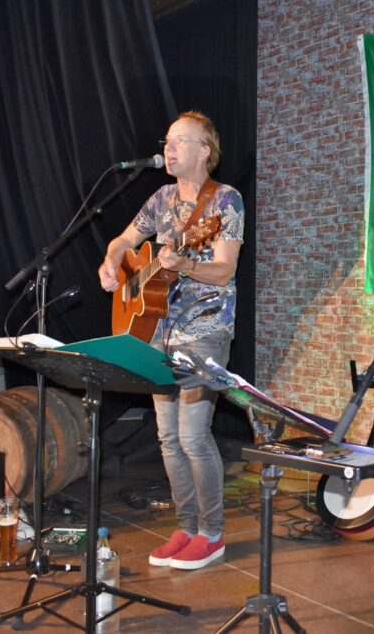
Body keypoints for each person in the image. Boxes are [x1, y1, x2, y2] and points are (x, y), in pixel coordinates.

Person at [98, 111, 244, 570]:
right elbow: (122, 241)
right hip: (156, 330)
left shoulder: (226, 200)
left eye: (181, 140)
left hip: (204, 328)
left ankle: (211, 533)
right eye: (168, 140)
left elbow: (225, 270)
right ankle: (185, 526)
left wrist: (187, 265)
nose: (169, 147)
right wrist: (112, 263)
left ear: (205, 151)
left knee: (193, 435)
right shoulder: (160, 198)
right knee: (167, 437)